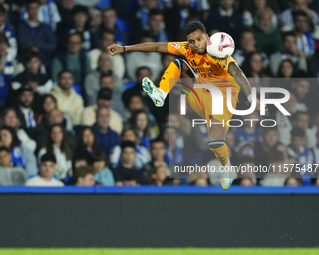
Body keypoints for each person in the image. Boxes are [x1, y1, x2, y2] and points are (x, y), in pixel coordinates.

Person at [108, 21, 263, 189]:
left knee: (214, 142)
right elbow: (156, 47)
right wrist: (124, 49)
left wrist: (252, 98)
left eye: (199, 39)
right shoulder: (186, 48)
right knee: (178, 64)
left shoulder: (219, 54)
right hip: (200, 94)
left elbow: (238, 74)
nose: (196, 45)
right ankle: (161, 94)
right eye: (191, 41)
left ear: (207, 38)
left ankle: (225, 166)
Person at [16, 0, 57, 66]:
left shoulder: (45, 27)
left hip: (44, 61)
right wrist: (42, 45)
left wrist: (36, 45)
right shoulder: (21, 26)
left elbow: (52, 45)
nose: (34, 11)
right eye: (31, 8)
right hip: (25, 61)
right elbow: (23, 44)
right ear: (27, 10)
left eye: (36, 8)